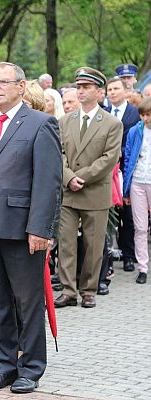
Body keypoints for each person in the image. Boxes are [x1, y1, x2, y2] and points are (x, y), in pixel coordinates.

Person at [0, 62, 62, 394]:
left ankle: (31, 368)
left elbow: (48, 182)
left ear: (21, 87)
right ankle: (4, 365)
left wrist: (41, 229)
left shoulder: (40, 123)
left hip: (23, 229)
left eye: (3, 82)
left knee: (27, 302)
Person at [54, 67, 123, 309]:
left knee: (93, 246)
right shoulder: (65, 121)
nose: (80, 92)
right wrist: (68, 177)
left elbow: (109, 158)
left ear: (99, 92)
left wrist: (79, 177)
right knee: (66, 243)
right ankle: (68, 290)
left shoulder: (112, 123)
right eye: (79, 87)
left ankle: (89, 290)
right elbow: (58, 153)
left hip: (94, 191)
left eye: (86, 88)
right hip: (69, 192)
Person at [105, 77, 140, 272]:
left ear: (125, 91)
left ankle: (128, 255)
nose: (112, 92)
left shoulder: (134, 114)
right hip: (108, 171)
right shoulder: (103, 113)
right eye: (109, 89)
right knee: (109, 216)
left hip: (126, 169)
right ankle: (108, 256)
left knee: (128, 217)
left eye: (116, 88)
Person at [122, 97, 151, 284]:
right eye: (142, 115)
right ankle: (143, 267)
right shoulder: (135, 131)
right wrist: (126, 189)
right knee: (140, 228)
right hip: (138, 182)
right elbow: (127, 160)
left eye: (148, 114)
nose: (145, 118)